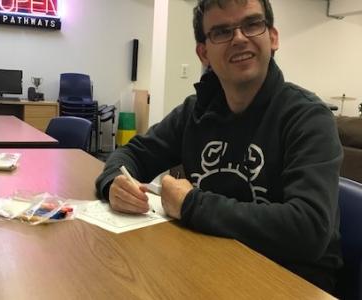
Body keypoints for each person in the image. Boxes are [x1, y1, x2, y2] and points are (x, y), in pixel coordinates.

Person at [96, 0, 343, 293]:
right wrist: (114, 182)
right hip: (208, 263)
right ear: (204, 53)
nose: (239, 38)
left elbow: (309, 230)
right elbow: (132, 153)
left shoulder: (308, 117)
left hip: (291, 282)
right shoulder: (195, 111)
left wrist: (191, 204)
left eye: (252, 24)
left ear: (273, 37)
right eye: (221, 31)